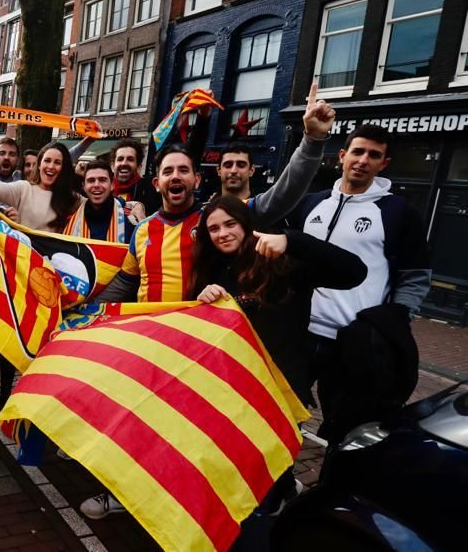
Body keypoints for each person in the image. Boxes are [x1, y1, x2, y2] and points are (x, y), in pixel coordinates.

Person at [80, 85, 337, 518]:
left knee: (184, 433)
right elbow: (126, 283)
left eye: (184, 170)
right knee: (131, 425)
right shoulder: (142, 231)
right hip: (146, 346)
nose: (176, 177)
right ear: (156, 180)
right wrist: (85, 315)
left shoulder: (217, 222)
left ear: (197, 179)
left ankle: (181, 501)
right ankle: (121, 494)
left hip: (196, 351)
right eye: (168, 171)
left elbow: (281, 198)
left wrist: (311, 142)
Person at [193, 195, 367, 548]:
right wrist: (202, 295)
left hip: (280, 396)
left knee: (255, 496)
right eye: (214, 228)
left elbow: (355, 271)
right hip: (233, 396)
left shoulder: (284, 262)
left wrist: (293, 240)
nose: (223, 233)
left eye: (230, 224)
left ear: (246, 224)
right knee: (237, 489)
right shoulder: (215, 268)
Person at [288, 123, 430, 446]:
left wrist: (395, 320)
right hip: (301, 335)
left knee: (345, 429)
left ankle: (333, 488)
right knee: (281, 414)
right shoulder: (311, 204)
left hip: (351, 342)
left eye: (374, 155)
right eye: (358, 151)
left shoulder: (398, 213)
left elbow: (416, 275)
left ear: (384, 164)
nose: (364, 160)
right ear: (342, 156)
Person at [0, 142, 82, 232]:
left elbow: (95, 205)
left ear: (63, 168)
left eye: (57, 163)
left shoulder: (71, 198)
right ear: (40, 164)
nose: (51, 166)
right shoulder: (24, 189)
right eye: (47, 160)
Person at [64, 159, 133, 243]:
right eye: (91, 180)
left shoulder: (130, 221)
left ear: (112, 185)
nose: (96, 185)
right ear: (84, 187)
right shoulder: (70, 222)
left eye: (102, 180)